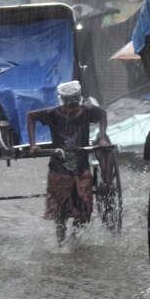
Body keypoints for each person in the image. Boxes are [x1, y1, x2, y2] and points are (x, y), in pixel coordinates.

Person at [27, 81, 109, 244]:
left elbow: (103, 114)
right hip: (59, 167)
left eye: (74, 106)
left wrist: (102, 137)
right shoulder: (53, 113)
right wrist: (32, 144)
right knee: (61, 210)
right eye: (68, 106)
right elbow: (31, 116)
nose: (71, 110)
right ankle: (61, 240)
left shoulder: (88, 111)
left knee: (84, 207)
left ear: (79, 102)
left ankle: (76, 239)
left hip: (81, 166)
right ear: (62, 103)